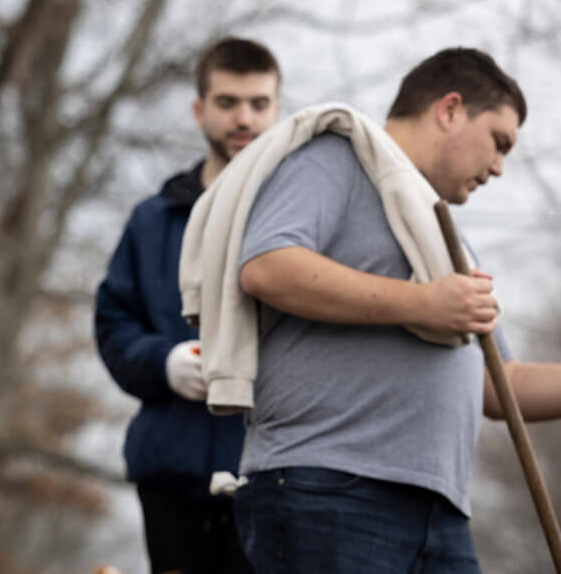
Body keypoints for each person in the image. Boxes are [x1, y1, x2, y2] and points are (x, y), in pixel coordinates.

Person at [230, 48, 561, 572]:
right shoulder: (337, 158)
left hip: (440, 515)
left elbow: (500, 386)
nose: (499, 168)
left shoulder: (444, 242)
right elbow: (269, 266)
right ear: (450, 110)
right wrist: (422, 303)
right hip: (332, 491)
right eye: (499, 143)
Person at [96, 37, 279, 574]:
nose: (244, 118)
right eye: (228, 103)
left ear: (277, 111)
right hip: (171, 472)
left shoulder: (298, 224)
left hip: (271, 474)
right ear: (201, 111)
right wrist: (163, 362)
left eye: (259, 103)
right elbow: (112, 323)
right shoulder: (153, 220)